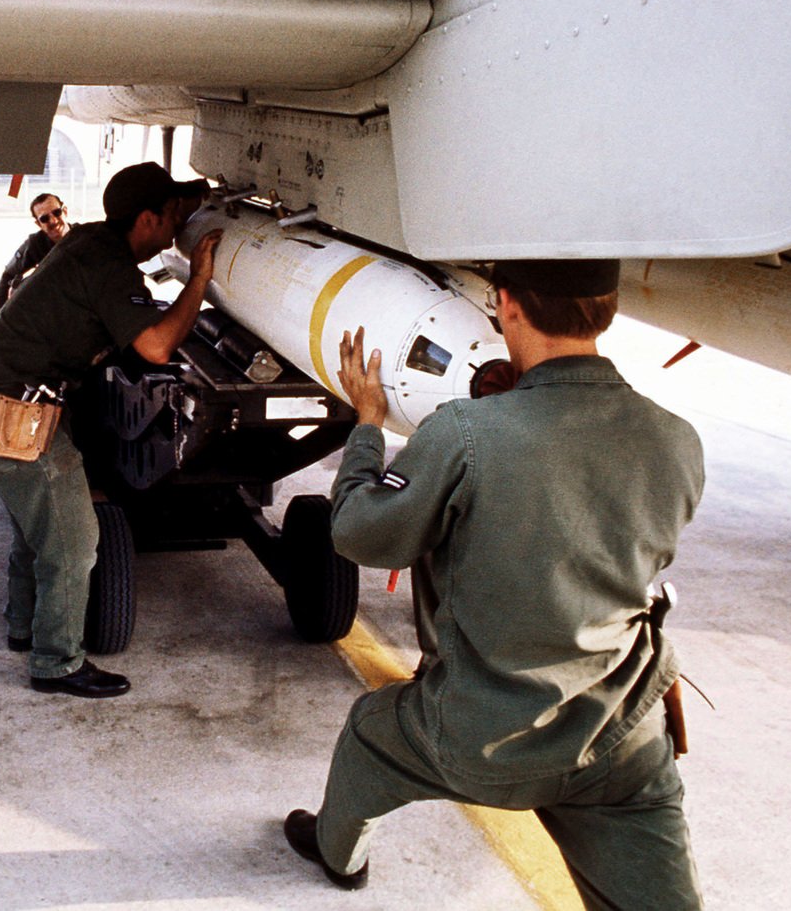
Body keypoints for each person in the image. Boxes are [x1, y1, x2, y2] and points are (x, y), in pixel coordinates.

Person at [283, 259, 706, 909]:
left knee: (371, 730)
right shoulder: (677, 441)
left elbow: (361, 533)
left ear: (507, 304)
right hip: (619, 739)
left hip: (477, 737)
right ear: (609, 308)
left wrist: (367, 422)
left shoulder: (464, 435)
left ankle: (339, 857)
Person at [0, 162, 222, 698]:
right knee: (74, 541)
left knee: (36, 527)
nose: (177, 227)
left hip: (0, 394)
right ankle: (56, 663)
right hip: (15, 407)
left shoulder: (91, 241)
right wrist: (199, 278)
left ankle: (23, 628)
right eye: (172, 217)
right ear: (146, 218)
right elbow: (155, 348)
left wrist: (201, 197)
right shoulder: (107, 265)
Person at [0, 193, 71, 311]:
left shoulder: (85, 237)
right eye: (44, 219)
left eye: (56, 213)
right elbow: (9, 275)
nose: (53, 221)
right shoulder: (35, 244)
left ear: (64, 211)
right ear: (38, 224)